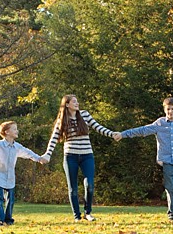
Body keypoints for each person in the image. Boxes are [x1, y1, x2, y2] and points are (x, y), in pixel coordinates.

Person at [114, 97, 173, 220]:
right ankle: (172, 213)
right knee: (170, 188)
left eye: (172, 109)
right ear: (165, 110)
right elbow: (142, 130)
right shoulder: (159, 123)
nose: (170, 112)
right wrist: (123, 134)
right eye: (168, 109)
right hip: (167, 161)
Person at [42, 94, 118, 222]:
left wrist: (112, 134)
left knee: (90, 185)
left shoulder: (85, 115)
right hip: (70, 156)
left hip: (87, 155)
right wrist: (47, 154)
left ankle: (88, 212)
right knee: (73, 188)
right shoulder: (62, 120)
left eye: (77, 101)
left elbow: (98, 127)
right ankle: (77, 216)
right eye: (74, 102)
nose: (77, 104)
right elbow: (54, 139)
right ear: (67, 105)